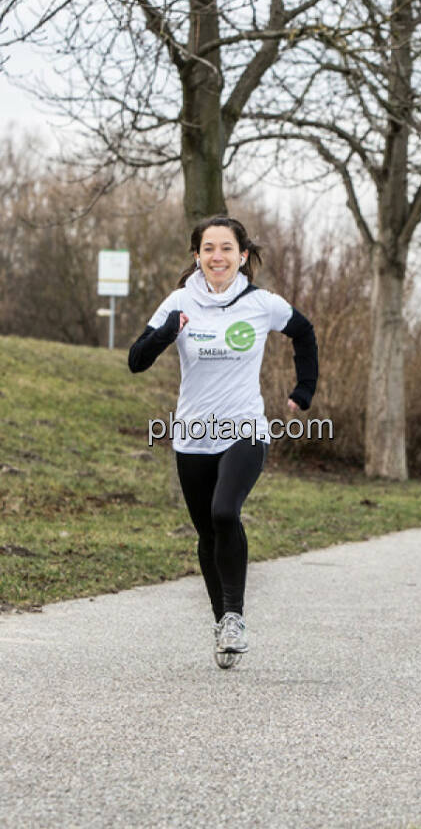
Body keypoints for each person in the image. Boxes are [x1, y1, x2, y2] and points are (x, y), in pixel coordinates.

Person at [128, 215, 318, 668]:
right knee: (207, 533)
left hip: (245, 428)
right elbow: (137, 359)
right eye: (209, 249)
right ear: (197, 256)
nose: (218, 257)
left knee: (224, 512)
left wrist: (303, 389)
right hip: (193, 434)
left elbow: (304, 332)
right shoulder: (178, 301)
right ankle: (222, 625)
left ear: (243, 256)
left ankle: (234, 616)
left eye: (227, 249)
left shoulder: (261, 303)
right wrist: (166, 333)